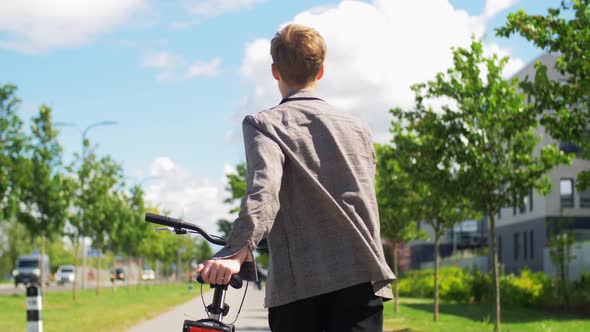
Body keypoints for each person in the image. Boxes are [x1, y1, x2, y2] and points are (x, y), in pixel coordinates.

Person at [196, 23, 395, 332]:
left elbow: (264, 191)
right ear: (321, 71)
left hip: (301, 284)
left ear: (275, 71)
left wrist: (236, 253)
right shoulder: (358, 128)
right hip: (362, 276)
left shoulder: (266, 124)